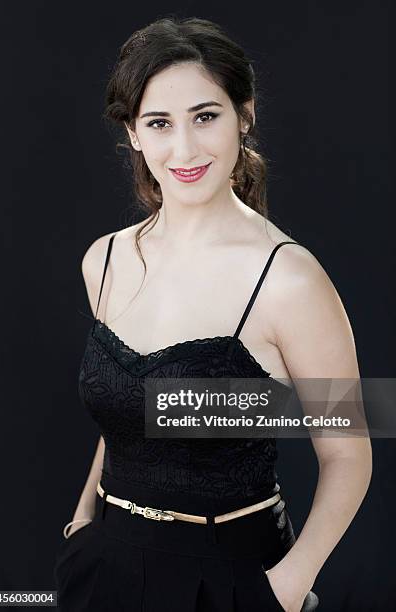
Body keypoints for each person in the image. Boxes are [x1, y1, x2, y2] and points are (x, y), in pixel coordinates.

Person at [53, 16, 372, 612]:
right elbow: (128, 412)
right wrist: (82, 522)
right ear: (134, 134)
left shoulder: (290, 280)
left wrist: (282, 590)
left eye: (206, 116)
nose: (185, 148)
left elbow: (349, 453)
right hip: (104, 568)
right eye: (159, 123)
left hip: (232, 579)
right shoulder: (105, 260)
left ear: (244, 115)